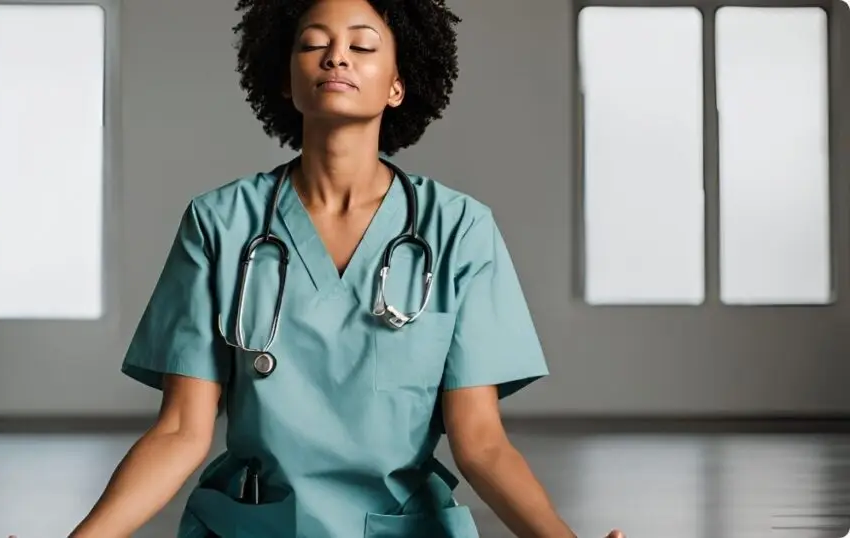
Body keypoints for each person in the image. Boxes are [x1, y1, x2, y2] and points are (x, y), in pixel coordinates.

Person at [70, 0, 625, 536]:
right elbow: (180, 432)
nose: (336, 57)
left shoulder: (459, 229)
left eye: (362, 45)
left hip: (403, 529)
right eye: (314, 44)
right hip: (254, 526)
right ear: (285, 81)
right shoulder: (219, 223)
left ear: (397, 85)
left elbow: (481, 442)